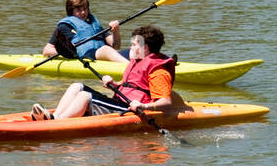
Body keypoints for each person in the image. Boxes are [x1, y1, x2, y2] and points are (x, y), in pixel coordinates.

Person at [32, 25, 190, 120]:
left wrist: (142, 105)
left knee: (85, 96)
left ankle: (56, 122)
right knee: (77, 86)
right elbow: (134, 86)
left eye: (134, 44)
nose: (131, 47)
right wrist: (115, 84)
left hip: (129, 109)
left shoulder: (158, 70)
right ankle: (55, 116)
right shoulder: (138, 62)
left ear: (145, 48)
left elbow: (166, 102)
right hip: (119, 102)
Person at [42, 0, 128, 64]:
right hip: (87, 55)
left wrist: (116, 31)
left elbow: (116, 46)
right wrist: (65, 53)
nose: (83, 12)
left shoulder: (93, 24)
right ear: (71, 11)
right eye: (79, 10)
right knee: (106, 49)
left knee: (131, 51)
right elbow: (47, 50)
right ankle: (131, 69)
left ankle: (136, 67)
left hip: (102, 54)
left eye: (85, 9)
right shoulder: (64, 27)